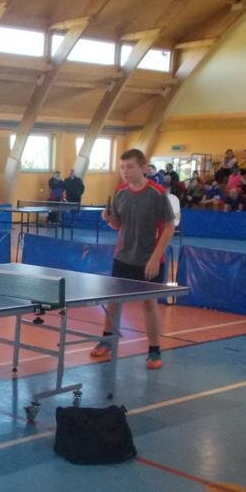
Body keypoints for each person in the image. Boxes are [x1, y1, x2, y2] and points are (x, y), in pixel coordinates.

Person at [90, 149, 175, 370]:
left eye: (130, 167)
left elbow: (169, 227)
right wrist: (109, 219)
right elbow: (118, 225)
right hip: (123, 256)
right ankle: (107, 341)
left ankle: (154, 350)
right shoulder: (120, 192)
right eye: (122, 167)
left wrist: (155, 258)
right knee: (113, 301)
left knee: (149, 303)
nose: (125, 172)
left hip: (149, 259)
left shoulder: (157, 193)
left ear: (143, 168)